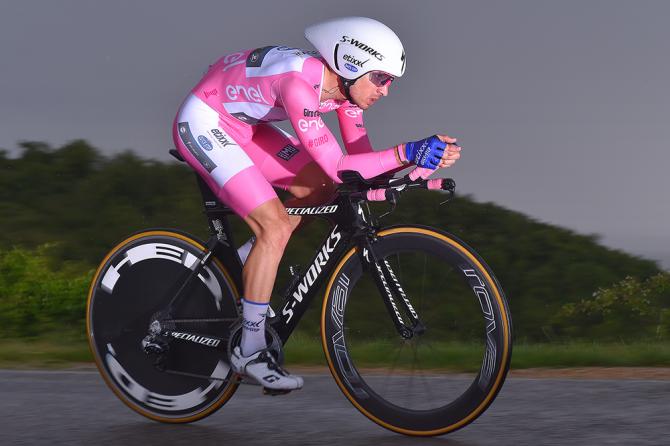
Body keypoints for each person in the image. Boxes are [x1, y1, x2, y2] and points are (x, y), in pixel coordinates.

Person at [172, 16, 461, 392]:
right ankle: (250, 349)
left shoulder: (344, 94)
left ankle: (247, 262)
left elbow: (359, 173)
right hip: (204, 121)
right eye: (381, 78)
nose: (386, 91)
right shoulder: (298, 84)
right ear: (351, 64)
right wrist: (407, 150)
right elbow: (340, 165)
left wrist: (416, 166)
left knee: (321, 188)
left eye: (390, 82)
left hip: (245, 126)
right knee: (274, 227)